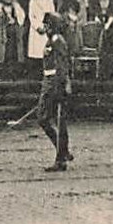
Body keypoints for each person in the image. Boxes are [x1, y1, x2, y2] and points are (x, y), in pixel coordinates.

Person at [36, 13, 73, 172]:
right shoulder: (52, 40)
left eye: (46, 25)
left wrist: (60, 85)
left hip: (54, 83)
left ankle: (61, 158)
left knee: (49, 119)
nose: (44, 28)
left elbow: (62, 65)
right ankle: (63, 151)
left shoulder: (58, 41)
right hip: (50, 82)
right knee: (48, 119)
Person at [26, 0, 56, 67]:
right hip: (36, 28)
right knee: (36, 52)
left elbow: (52, 14)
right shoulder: (33, 0)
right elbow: (31, 16)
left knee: (45, 51)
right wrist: (37, 27)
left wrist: (47, 27)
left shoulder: (49, 0)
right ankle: (36, 72)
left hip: (46, 27)